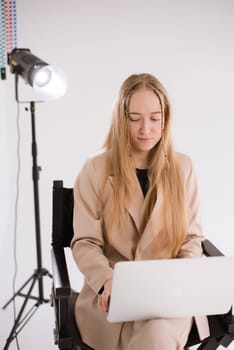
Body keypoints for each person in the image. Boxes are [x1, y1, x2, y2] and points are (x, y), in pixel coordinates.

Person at [71, 73, 210, 350]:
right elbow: (85, 243)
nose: (145, 129)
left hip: (169, 297)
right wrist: (108, 283)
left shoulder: (184, 168)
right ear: (122, 119)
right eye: (135, 118)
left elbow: (192, 239)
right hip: (112, 297)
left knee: (157, 333)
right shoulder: (95, 169)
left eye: (155, 118)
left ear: (165, 119)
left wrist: (181, 279)